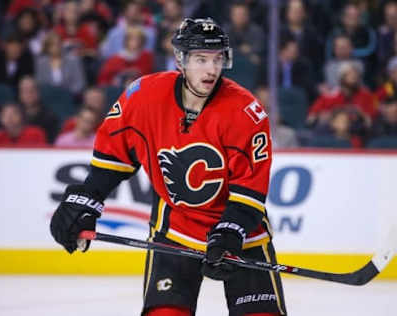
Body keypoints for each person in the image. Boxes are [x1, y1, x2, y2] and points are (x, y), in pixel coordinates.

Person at [50, 18, 287, 316]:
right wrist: (86, 200)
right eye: (201, 59)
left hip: (243, 236)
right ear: (181, 59)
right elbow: (113, 160)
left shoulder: (245, 112)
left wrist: (229, 233)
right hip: (176, 232)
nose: (211, 69)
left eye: (217, 59)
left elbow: (249, 189)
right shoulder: (144, 97)